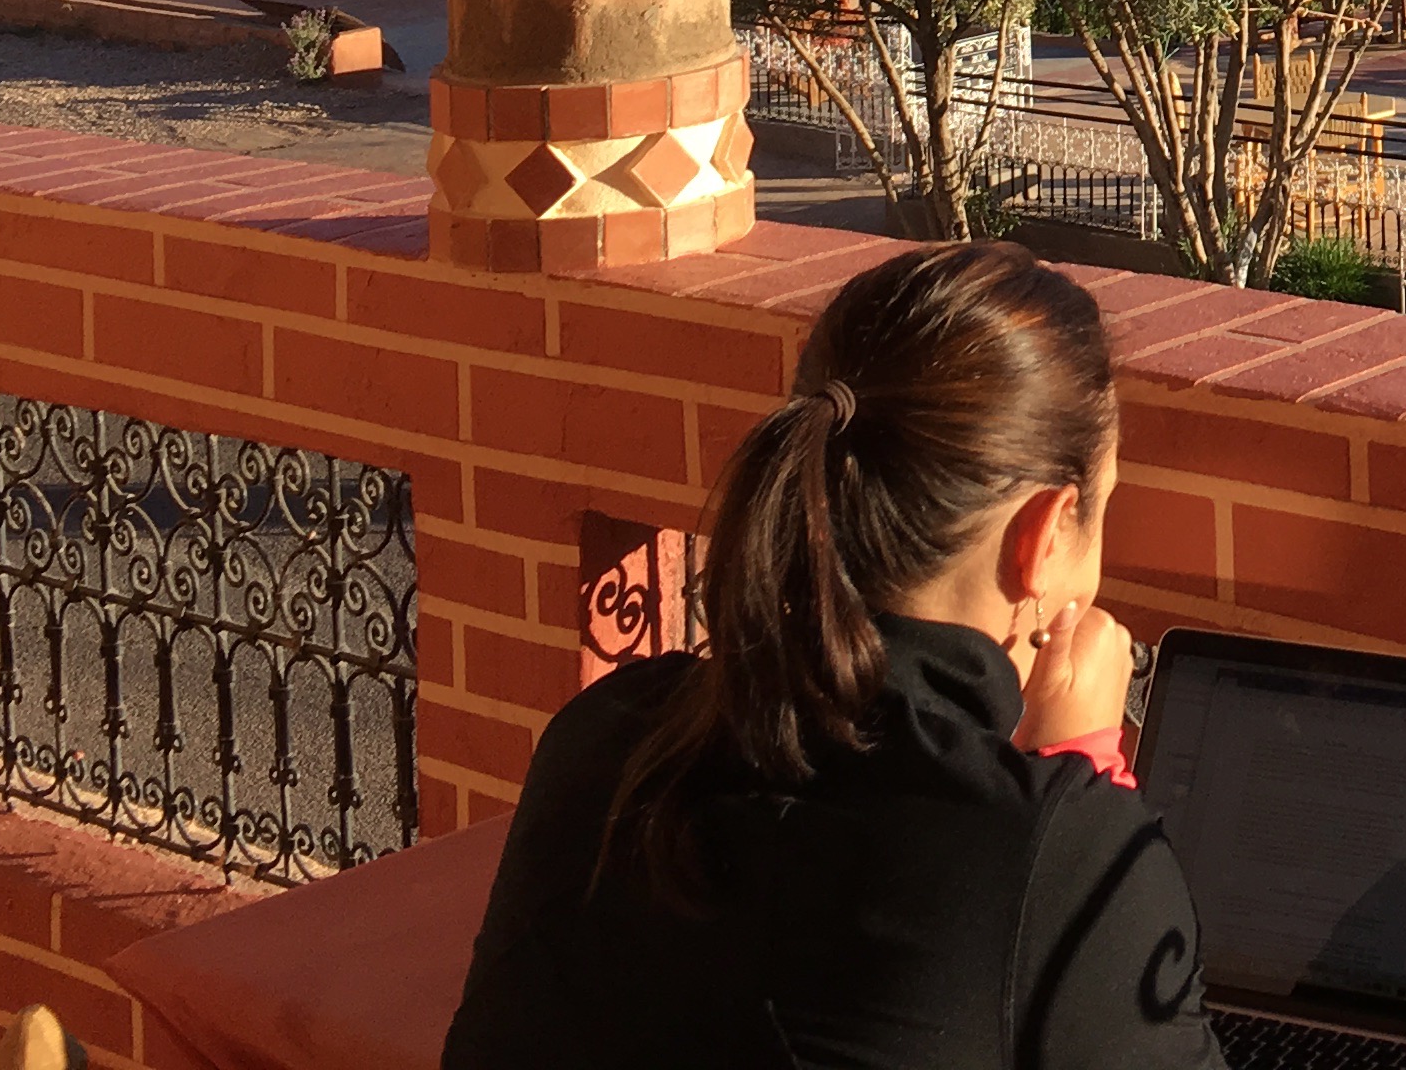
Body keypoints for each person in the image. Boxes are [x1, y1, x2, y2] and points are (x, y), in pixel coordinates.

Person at [445, 242, 1225, 1068]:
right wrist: (1085, 778)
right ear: (1046, 534)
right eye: (1104, 509)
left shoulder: (606, 736)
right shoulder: (1046, 853)